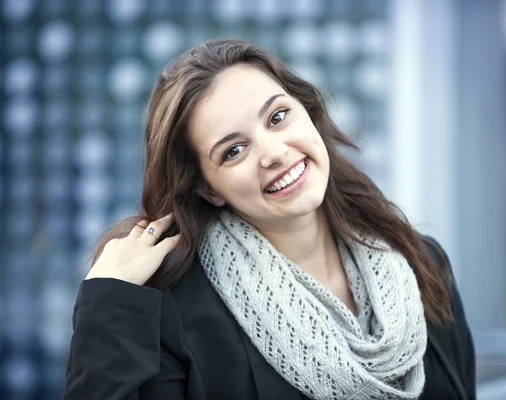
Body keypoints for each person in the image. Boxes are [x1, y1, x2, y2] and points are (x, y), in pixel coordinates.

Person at [62, 38, 475, 400]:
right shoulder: (179, 318)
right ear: (209, 189)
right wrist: (107, 299)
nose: (274, 152)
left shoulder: (422, 264)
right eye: (233, 151)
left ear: (307, 112)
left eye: (277, 117)